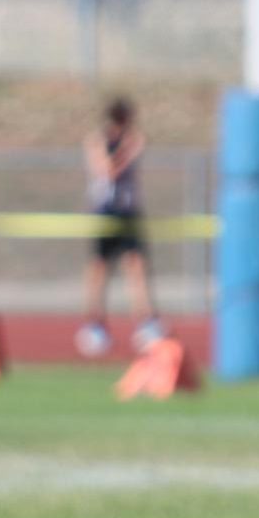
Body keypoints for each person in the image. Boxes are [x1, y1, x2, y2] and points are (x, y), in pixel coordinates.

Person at [77, 96, 164, 358]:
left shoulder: (132, 139)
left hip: (128, 211)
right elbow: (107, 171)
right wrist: (129, 151)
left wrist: (132, 147)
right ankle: (94, 323)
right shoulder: (98, 140)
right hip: (105, 211)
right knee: (100, 268)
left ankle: (146, 322)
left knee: (136, 265)